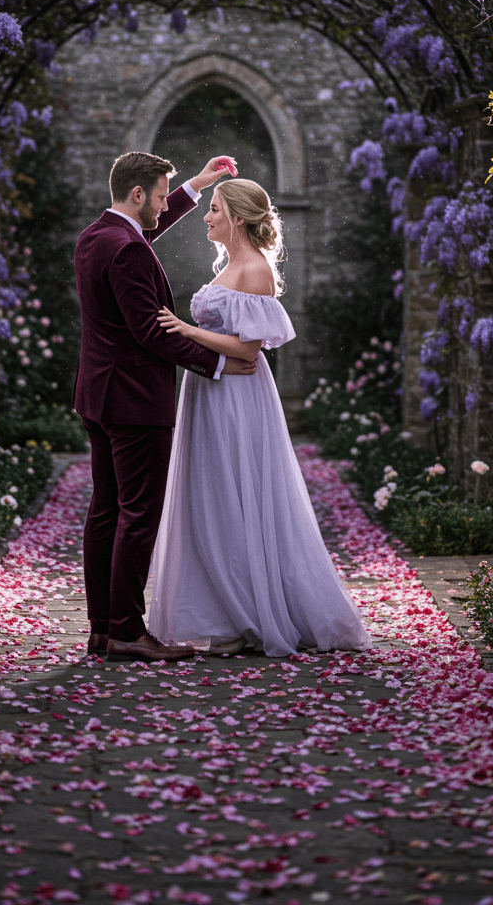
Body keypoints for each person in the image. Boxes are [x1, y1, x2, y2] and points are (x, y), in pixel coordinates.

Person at [147, 178, 372, 658]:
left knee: (236, 493)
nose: (206, 217)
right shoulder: (229, 265)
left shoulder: (254, 269)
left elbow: (248, 349)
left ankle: (249, 614)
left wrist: (186, 330)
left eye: (213, 209)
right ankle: (222, 613)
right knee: (211, 496)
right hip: (209, 388)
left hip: (237, 395)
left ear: (238, 218)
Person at [74, 151, 258, 664]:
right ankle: (127, 631)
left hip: (98, 394)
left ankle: (103, 629)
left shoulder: (97, 236)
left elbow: (140, 236)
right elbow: (150, 332)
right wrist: (218, 364)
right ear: (137, 195)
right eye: (158, 197)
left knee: (106, 511)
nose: (162, 206)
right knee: (138, 515)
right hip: (134, 401)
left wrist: (194, 185)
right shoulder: (128, 249)